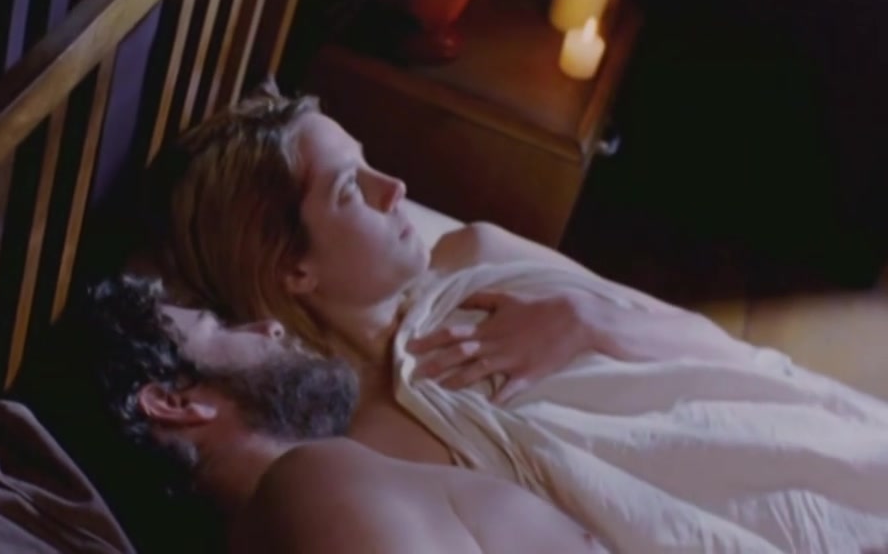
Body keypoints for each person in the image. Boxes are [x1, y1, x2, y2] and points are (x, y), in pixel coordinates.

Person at [143, 84, 888, 552]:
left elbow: (722, 353)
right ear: (293, 271)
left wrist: (589, 317)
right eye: (349, 190)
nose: (393, 186)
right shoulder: (372, 445)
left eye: (368, 162)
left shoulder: (478, 251)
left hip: (777, 431)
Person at [56, 274, 608, 554]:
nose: (270, 326)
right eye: (219, 327)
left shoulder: (313, 491)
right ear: (175, 403)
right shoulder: (306, 484)